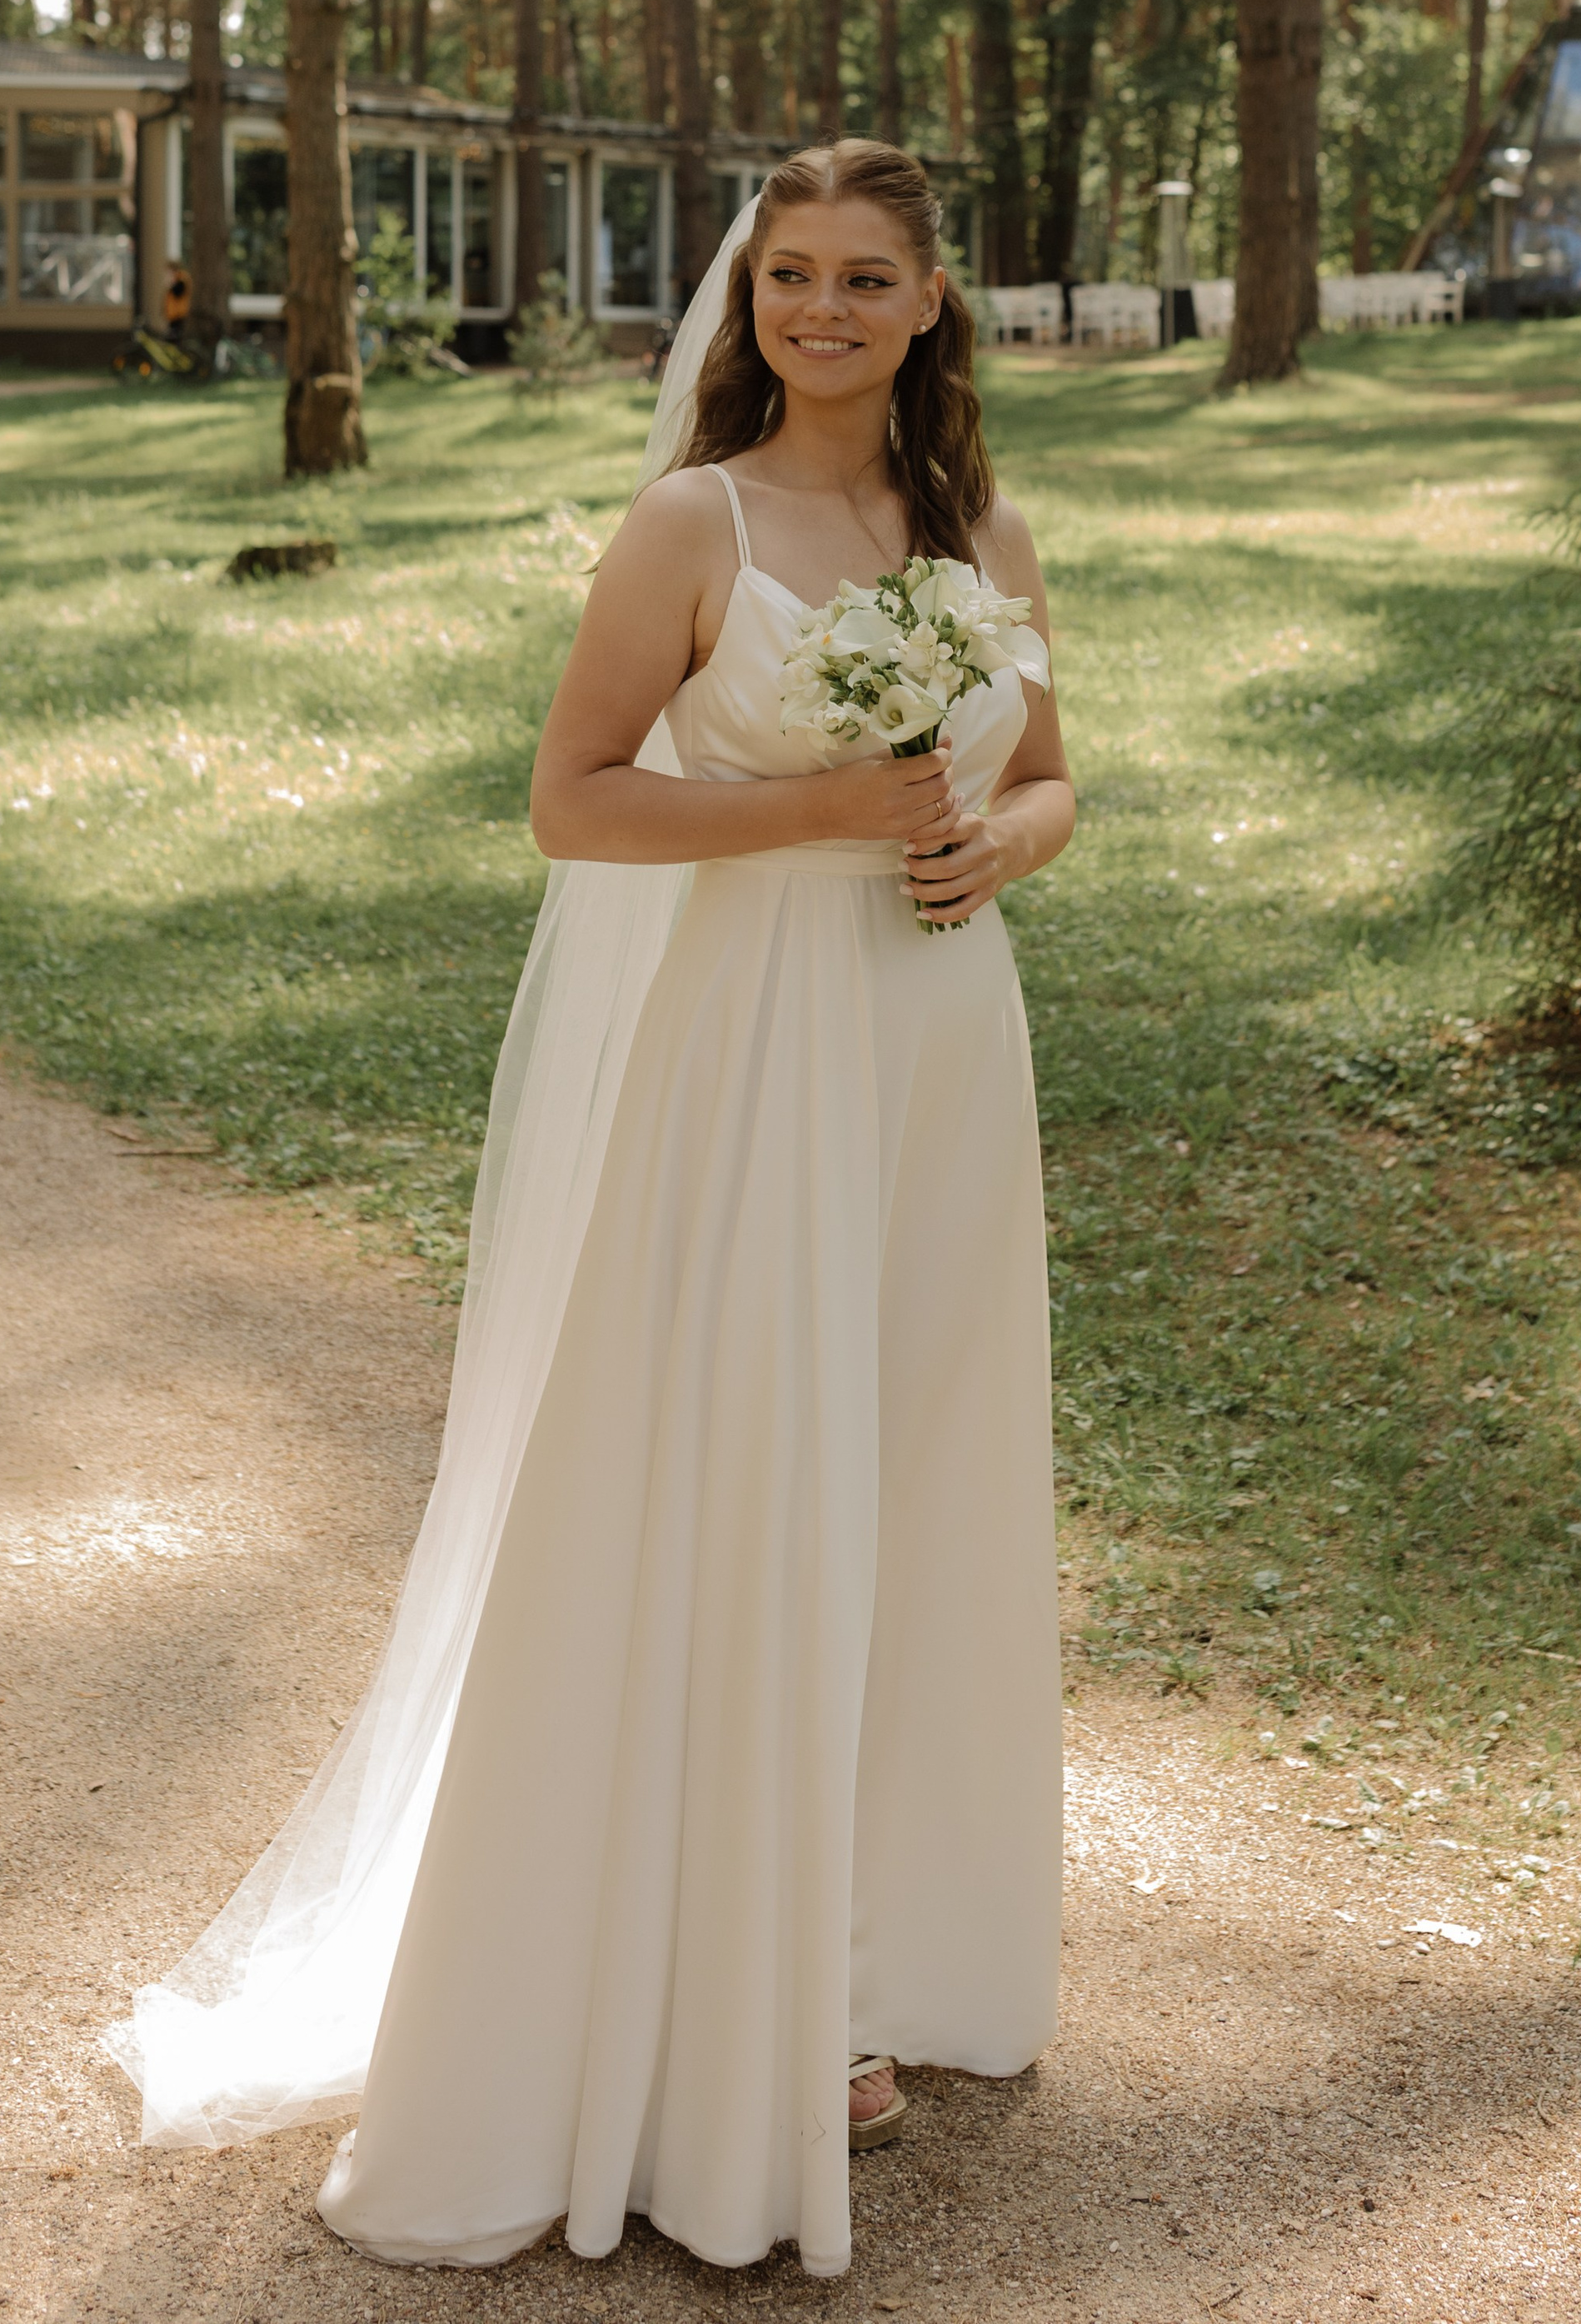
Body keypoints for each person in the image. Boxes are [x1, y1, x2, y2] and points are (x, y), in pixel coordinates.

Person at [110, 137, 1075, 2282]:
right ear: (750, 303)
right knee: (749, 1488)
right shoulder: (689, 521)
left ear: (928, 303)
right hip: (752, 1061)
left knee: (905, 1484)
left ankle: (870, 1936)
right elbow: (570, 798)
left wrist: (1000, 846)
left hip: (934, 1055)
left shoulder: (975, 525)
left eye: (860, 277)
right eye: (785, 274)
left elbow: (1050, 771)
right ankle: (722, 1997)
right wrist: (825, 804)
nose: (816, 308)